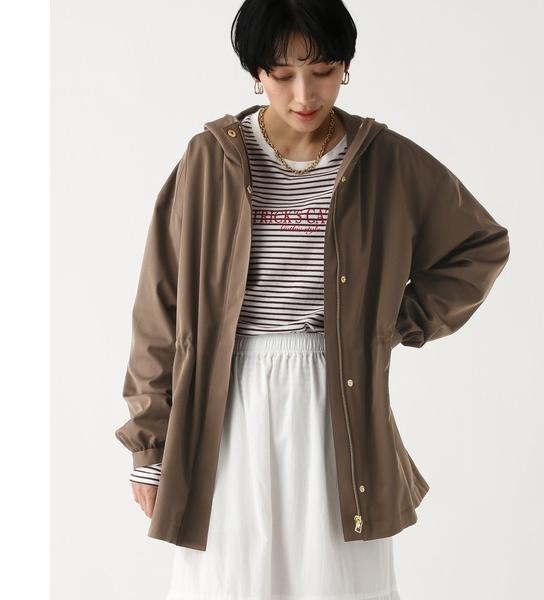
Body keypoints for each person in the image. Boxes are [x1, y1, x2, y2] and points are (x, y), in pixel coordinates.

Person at [116, 1, 510, 599]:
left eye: (323, 70)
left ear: (345, 66)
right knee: (231, 580)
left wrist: (393, 322)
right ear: (257, 74)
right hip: (226, 400)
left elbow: (480, 245)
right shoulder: (209, 159)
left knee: (340, 579)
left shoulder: (384, 160)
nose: (305, 93)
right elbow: (159, 308)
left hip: (338, 395)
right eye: (282, 75)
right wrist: (150, 444)